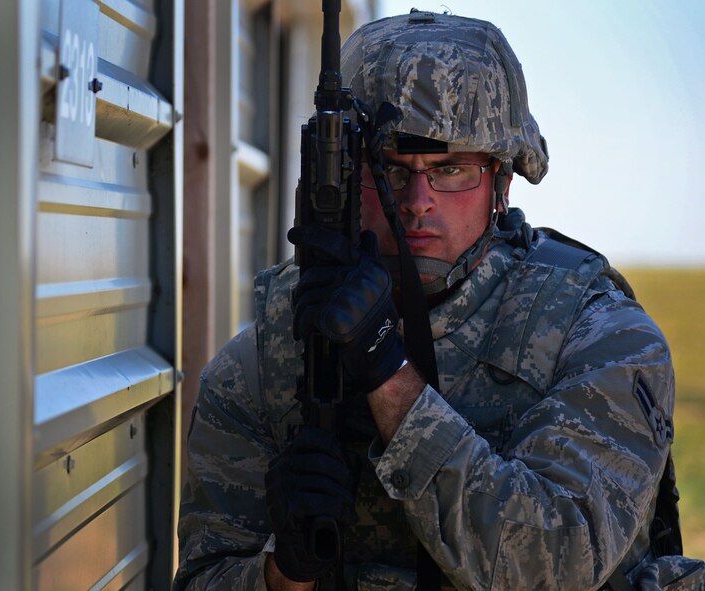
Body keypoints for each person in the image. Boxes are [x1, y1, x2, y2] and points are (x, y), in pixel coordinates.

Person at [174, 11, 703, 591]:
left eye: (450, 169)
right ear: (348, 181)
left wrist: (385, 372)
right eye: (391, 170)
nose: (418, 201)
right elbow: (204, 576)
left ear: (500, 181)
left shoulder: (598, 336)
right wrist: (285, 573)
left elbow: (553, 562)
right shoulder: (268, 358)